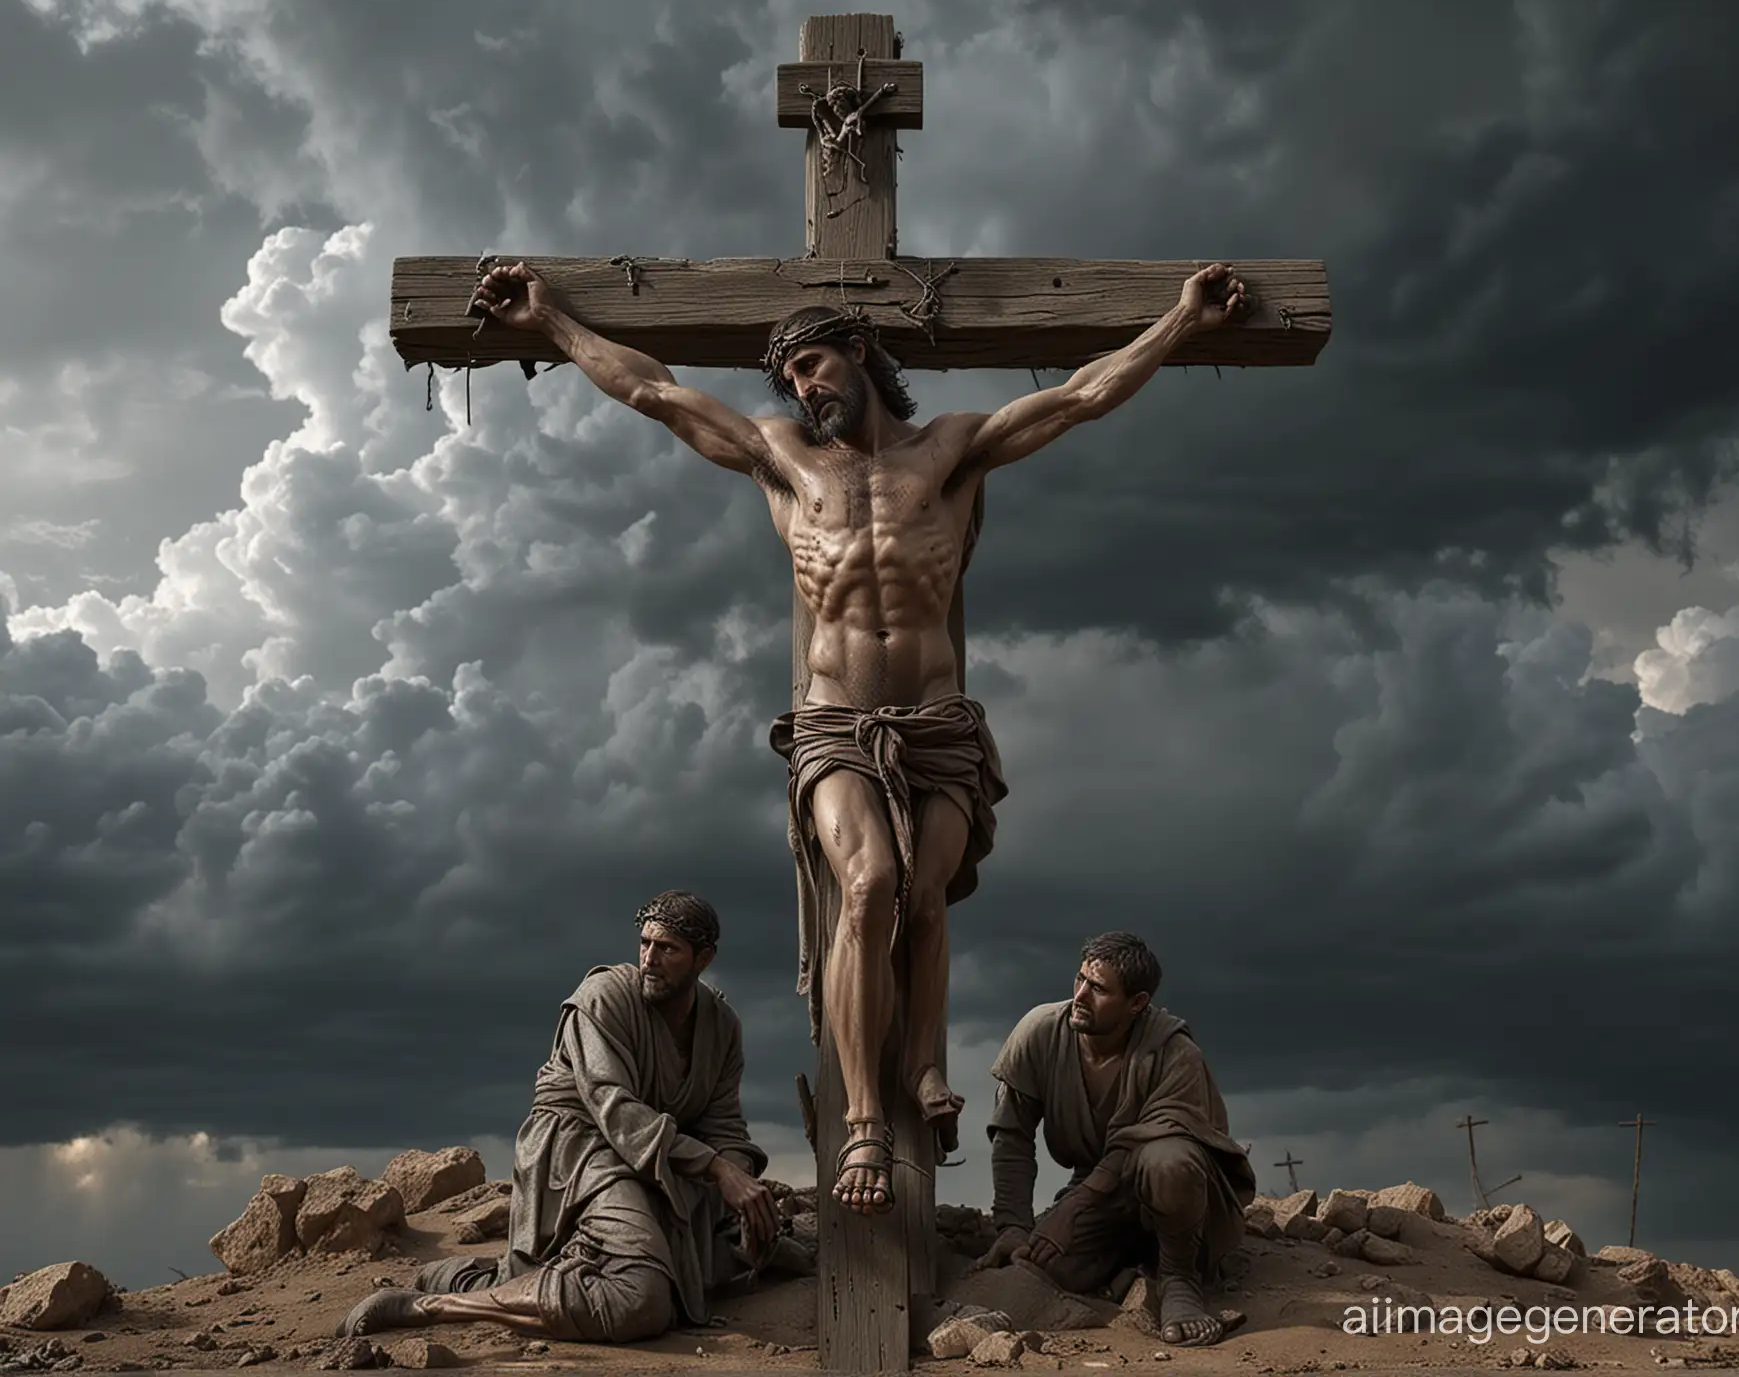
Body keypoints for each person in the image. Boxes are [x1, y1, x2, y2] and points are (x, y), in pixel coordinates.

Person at [469, 258, 1251, 1216]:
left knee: (924, 898)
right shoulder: (781, 457)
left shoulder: (952, 450)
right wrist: (549, 322)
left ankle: (925, 1067)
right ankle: (868, 1122)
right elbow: (654, 390)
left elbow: (1082, 395)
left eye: (811, 362)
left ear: (859, 351)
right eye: (789, 375)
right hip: (836, 720)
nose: (801, 385)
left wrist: (1182, 323)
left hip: (937, 722)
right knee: (869, 883)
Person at [333, 891, 784, 1344]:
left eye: (667, 949)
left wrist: (741, 1187)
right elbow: (613, 1106)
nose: (650, 959)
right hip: (580, 1150)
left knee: (749, 1254)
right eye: (645, 944)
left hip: (658, 1158)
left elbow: (724, 1124)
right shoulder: (603, 996)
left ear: (703, 958)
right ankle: (427, 1307)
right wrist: (715, 1167)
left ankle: (464, 1279)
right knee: (639, 1300)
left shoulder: (723, 1026)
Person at [975, 932, 1257, 1348]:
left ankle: (1179, 1279)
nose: (1081, 996)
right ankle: (1131, 1270)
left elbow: (1144, 1148)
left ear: (1137, 1003)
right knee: (1041, 1268)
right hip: (1103, 1199)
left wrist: (1071, 1207)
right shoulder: (1040, 1032)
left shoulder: (1173, 1052)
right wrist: (1014, 1225)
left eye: (1099, 989)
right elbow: (1012, 1135)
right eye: (1080, 980)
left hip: (1174, 1191)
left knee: (1167, 1160)